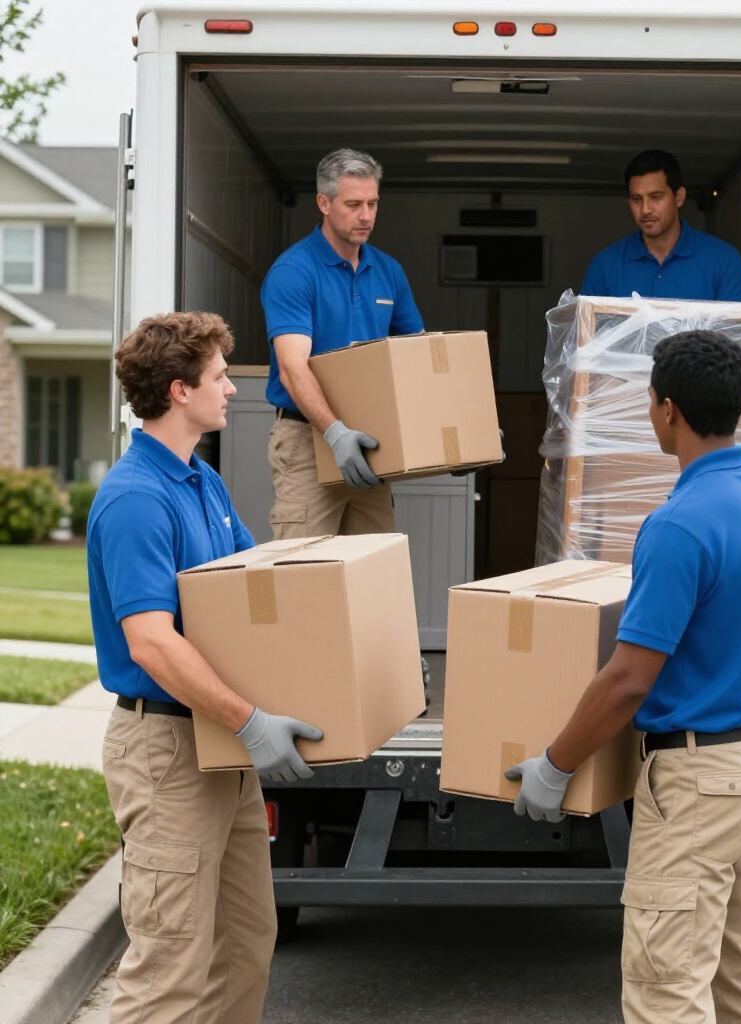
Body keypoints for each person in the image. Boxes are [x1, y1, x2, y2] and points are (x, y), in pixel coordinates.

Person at [506, 330, 741, 1023]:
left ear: (667, 409)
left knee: (667, 989)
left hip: (700, 785)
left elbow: (630, 678)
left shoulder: (679, 524)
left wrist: (555, 765)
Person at [88, 311, 323, 1024]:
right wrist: (250, 720)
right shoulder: (136, 498)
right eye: (220, 377)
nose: (233, 389)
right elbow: (152, 643)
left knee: (245, 942)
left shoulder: (202, 484)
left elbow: (258, 592)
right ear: (179, 391)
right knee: (170, 972)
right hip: (169, 751)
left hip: (219, 745)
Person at [260, 147, 424, 539]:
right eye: (353, 204)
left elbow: (417, 357)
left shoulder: (388, 271)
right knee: (303, 572)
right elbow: (292, 367)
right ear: (324, 202)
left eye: (372, 203)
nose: (365, 215)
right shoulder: (293, 272)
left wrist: (452, 425)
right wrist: (335, 433)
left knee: (372, 570)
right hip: (307, 440)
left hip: (371, 439)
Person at [580, 149, 741, 301]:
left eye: (656, 197)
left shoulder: (723, 260)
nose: (645, 209)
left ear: (679, 197)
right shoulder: (604, 266)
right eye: (636, 199)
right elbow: (586, 336)